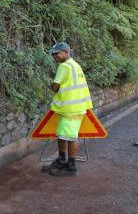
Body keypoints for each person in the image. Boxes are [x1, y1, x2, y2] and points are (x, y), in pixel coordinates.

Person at [48, 42, 93, 176]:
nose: (54, 56)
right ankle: (62, 160)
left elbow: (55, 87)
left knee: (70, 138)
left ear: (66, 52)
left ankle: (71, 166)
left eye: (57, 53)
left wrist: (52, 87)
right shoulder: (75, 65)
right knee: (62, 135)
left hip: (71, 109)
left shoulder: (64, 66)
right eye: (53, 54)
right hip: (76, 107)